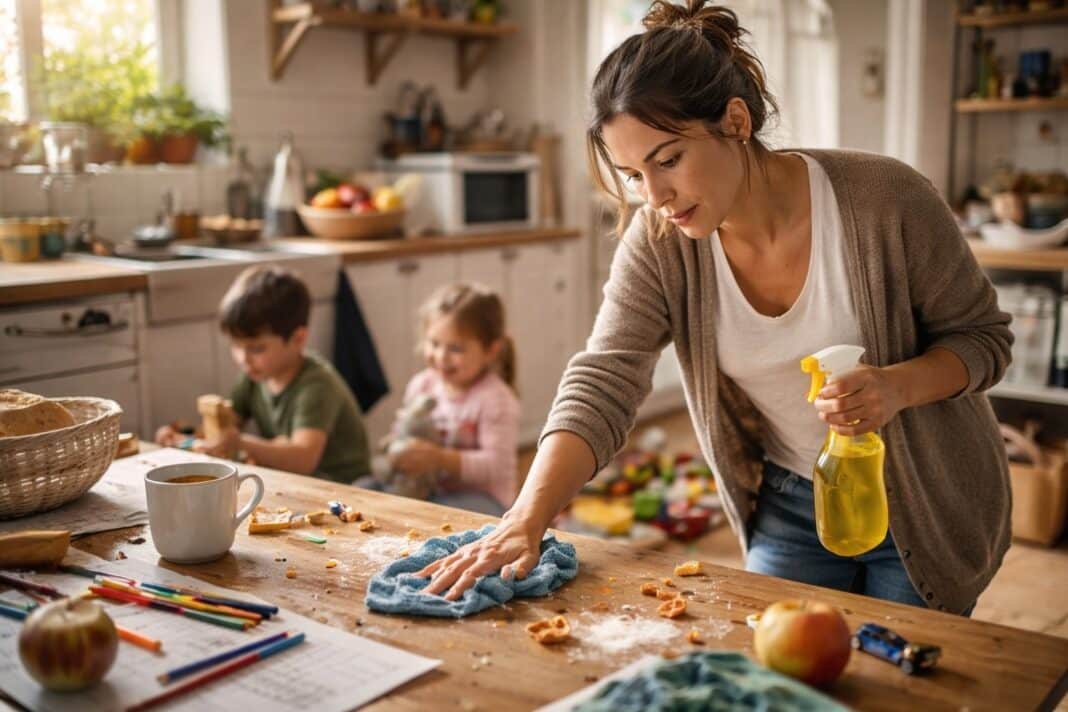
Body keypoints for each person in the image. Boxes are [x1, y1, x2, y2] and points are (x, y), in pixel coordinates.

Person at [415, 0, 1012, 615]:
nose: (657, 197)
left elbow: (984, 339)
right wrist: (526, 516)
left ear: (734, 121)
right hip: (790, 503)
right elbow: (605, 376)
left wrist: (895, 387)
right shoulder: (659, 240)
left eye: (669, 160)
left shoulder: (886, 199)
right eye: (634, 174)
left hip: (921, 502)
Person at [155, 265, 371, 483]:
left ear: (298, 339)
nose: (243, 359)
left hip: (348, 485)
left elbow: (303, 459)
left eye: (256, 348)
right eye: (236, 346)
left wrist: (240, 443)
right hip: (299, 482)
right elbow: (225, 431)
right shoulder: (254, 374)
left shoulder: (317, 385)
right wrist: (184, 439)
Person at [373, 282, 521, 516]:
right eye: (434, 344)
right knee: (365, 488)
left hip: (484, 500)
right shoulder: (422, 385)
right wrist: (396, 448)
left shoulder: (496, 399)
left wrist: (439, 459)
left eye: (456, 349)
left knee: (431, 514)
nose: (441, 357)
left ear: (491, 350)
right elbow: (403, 429)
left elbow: (496, 467)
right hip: (430, 490)